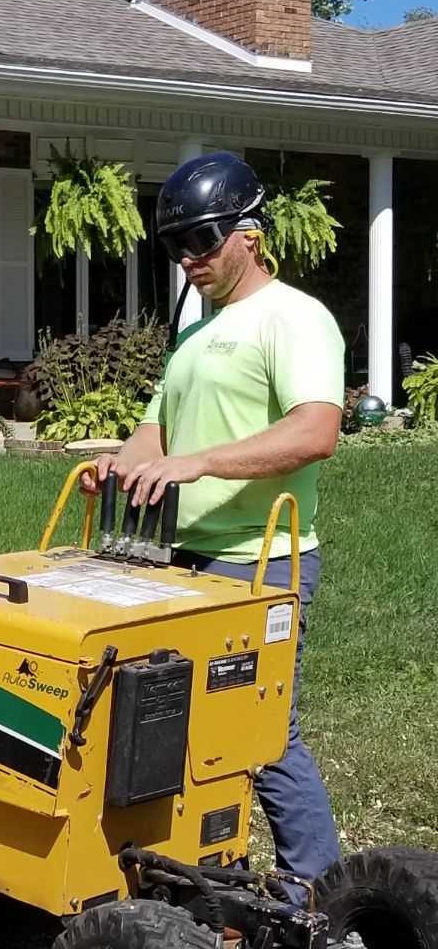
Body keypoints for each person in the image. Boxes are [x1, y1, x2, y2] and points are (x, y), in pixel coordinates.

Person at [83, 151, 345, 889]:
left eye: (203, 240)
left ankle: (313, 896)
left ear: (250, 235)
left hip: (256, 562)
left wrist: (200, 464)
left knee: (260, 736)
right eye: (176, 246)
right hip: (175, 561)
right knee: (161, 726)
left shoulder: (294, 319)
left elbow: (315, 430)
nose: (189, 259)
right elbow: (157, 432)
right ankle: (197, 871)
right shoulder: (197, 332)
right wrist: (121, 463)